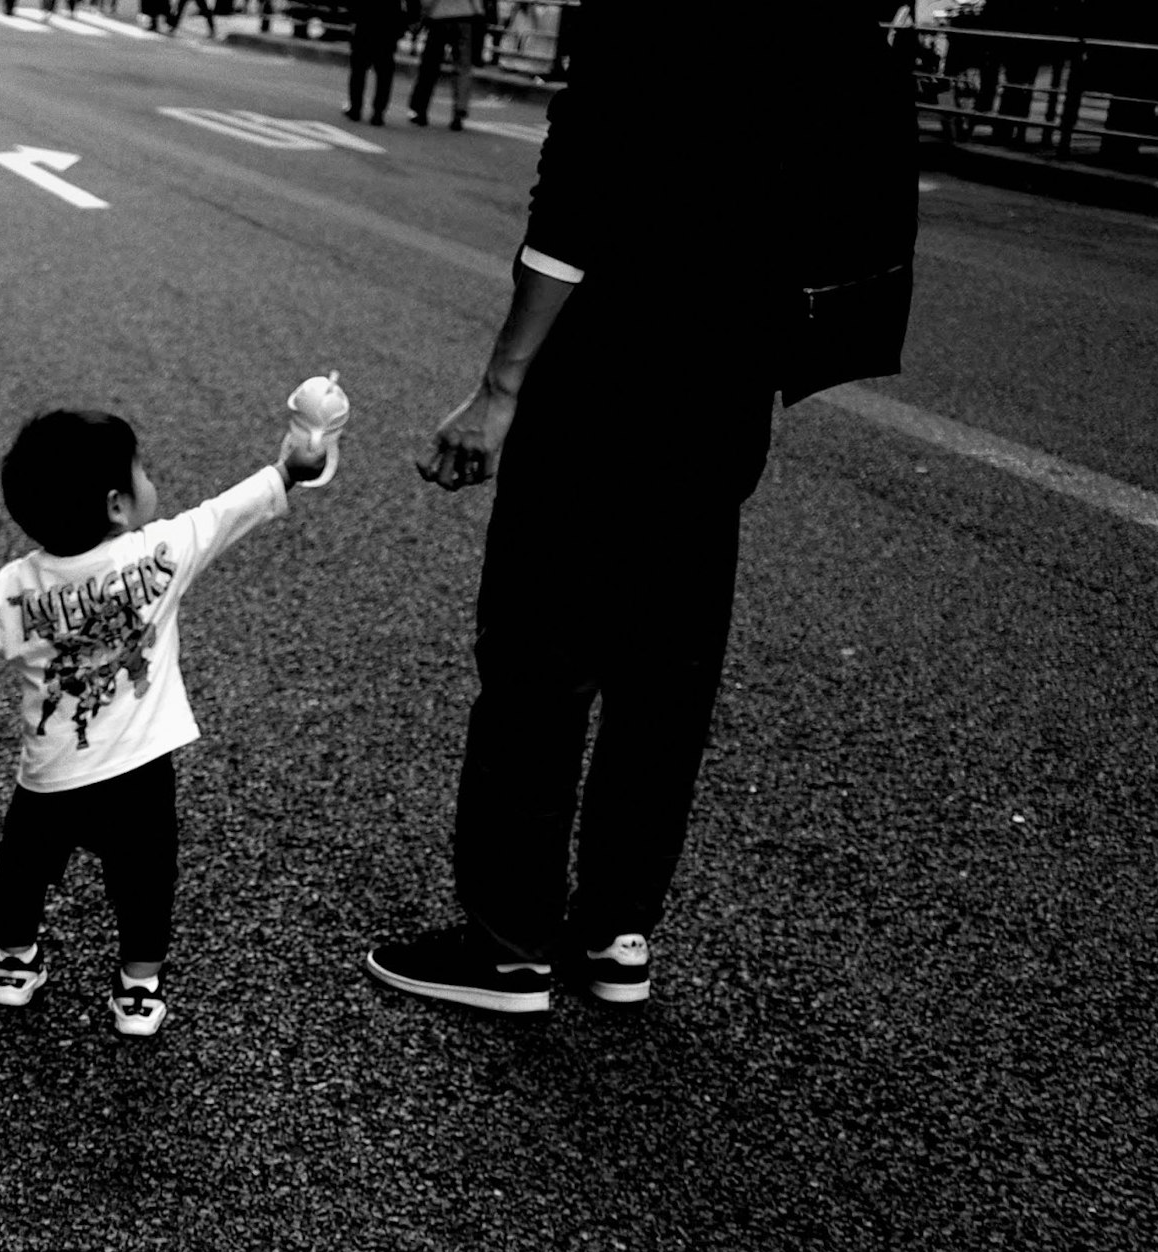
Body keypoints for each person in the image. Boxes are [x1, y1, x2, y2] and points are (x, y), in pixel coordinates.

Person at [365, 0, 916, 1015]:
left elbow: (570, 217)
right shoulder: (810, 31)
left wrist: (500, 388)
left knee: (539, 661)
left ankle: (508, 946)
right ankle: (615, 932)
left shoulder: (644, 21)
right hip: (730, 382)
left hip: (608, 376)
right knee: (667, 672)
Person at [0, 380, 352, 1039]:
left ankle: (15, 966)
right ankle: (138, 988)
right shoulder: (159, 554)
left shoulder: (14, 589)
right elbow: (230, 511)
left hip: (51, 775)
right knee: (145, 878)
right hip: (138, 773)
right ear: (115, 505)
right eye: (140, 472)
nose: (148, 480)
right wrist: (290, 470)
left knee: (23, 868)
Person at [411, 0, 482, 126]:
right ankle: (459, 111)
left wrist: (423, 15)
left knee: (430, 65)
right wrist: (478, 13)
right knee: (463, 66)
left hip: (439, 16)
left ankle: (421, 110)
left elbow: (427, 2)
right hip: (465, 16)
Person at [343, 0, 409, 121]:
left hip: (365, 23)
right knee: (384, 73)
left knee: (359, 70)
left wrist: (353, 17)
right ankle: (378, 111)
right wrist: (404, 25)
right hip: (388, 26)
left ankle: (356, 107)